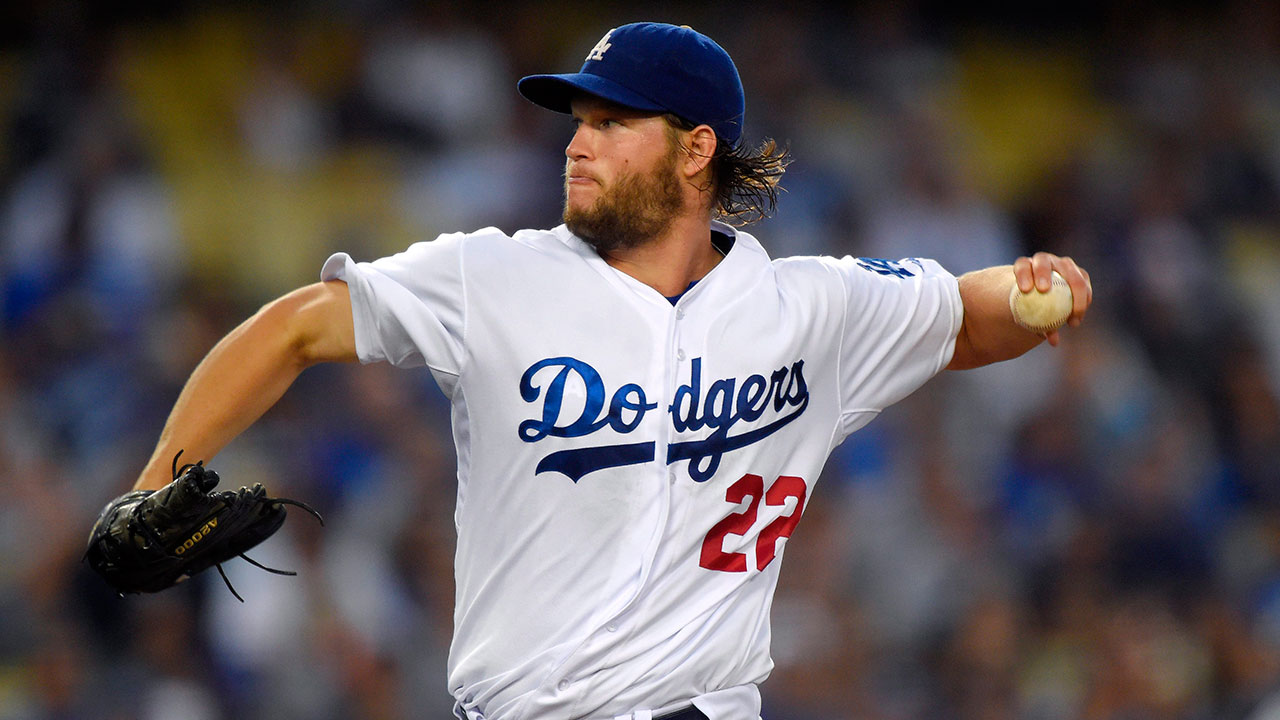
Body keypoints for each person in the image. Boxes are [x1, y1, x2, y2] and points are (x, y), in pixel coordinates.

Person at [119, 21, 1092, 720]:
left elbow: (964, 316)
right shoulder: (495, 278)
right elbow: (295, 328)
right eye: (578, 119)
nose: (578, 143)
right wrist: (153, 482)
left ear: (695, 150)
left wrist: (1034, 287)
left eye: (613, 122)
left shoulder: (807, 308)